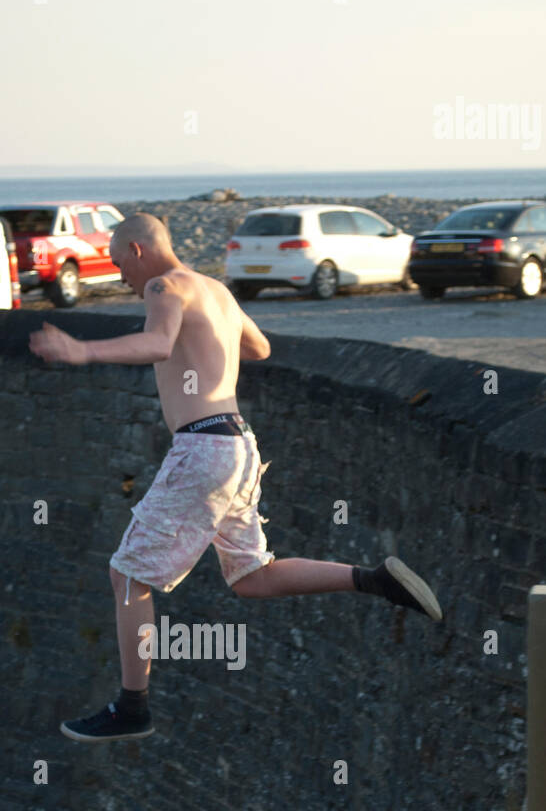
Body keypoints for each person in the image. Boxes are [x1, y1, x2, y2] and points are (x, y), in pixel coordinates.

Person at [28, 213, 442, 742]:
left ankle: (133, 707)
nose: (122, 277)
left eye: (116, 262)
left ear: (137, 249)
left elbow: (156, 343)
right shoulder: (215, 291)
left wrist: (82, 350)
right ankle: (373, 579)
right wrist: (208, 338)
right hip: (239, 446)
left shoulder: (164, 284)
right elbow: (260, 347)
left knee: (129, 575)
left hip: (203, 447)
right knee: (250, 578)